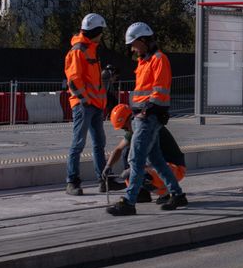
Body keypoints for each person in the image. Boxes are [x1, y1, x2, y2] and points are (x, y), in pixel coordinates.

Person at [107, 22, 188, 215]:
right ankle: (177, 195)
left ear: (144, 40)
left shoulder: (159, 60)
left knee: (136, 158)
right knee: (156, 159)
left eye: (134, 43)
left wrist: (147, 111)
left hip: (148, 116)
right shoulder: (143, 62)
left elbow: (159, 90)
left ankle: (129, 201)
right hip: (141, 116)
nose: (132, 48)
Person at [105, 104, 186, 204]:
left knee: (139, 171)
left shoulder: (145, 130)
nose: (126, 130)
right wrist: (108, 166)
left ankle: (166, 193)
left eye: (125, 128)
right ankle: (144, 193)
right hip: (164, 167)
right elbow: (119, 149)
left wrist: (129, 172)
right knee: (127, 153)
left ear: (130, 119)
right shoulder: (138, 129)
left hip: (175, 168)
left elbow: (140, 159)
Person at [65, 13, 108, 196]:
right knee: (78, 143)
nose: (102, 35)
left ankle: (103, 179)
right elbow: (74, 81)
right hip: (84, 105)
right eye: (101, 31)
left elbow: (91, 80)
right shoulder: (78, 50)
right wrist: (84, 101)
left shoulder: (91, 49)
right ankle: (72, 181)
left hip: (95, 104)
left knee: (99, 143)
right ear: (96, 31)